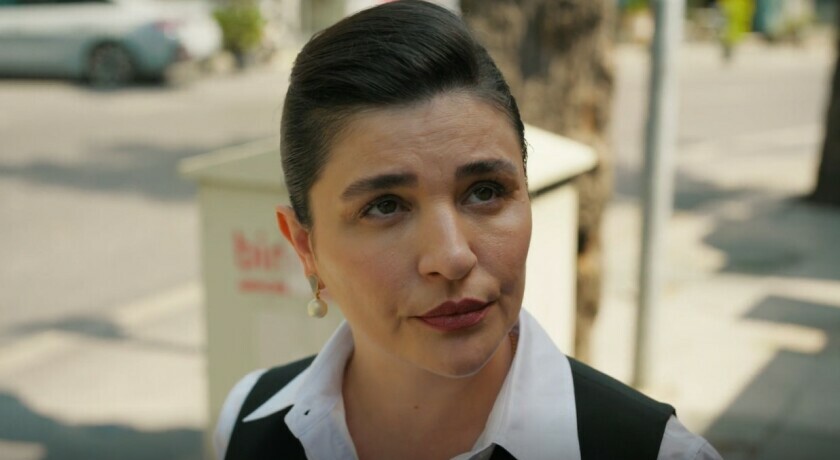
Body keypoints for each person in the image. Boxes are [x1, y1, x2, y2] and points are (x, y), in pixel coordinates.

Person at [214, 1, 722, 459]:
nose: (453, 256)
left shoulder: (655, 452)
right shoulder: (247, 422)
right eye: (385, 206)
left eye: (484, 191)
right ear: (305, 246)